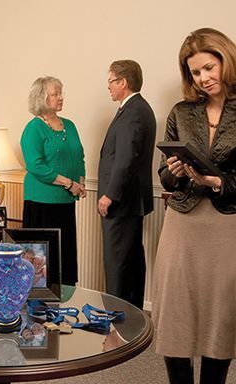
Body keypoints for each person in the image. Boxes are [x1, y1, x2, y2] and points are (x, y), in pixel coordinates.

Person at [152, 28, 235, 384]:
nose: (203, 78)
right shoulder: (181, 112)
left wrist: (215, 181)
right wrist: (175, 169)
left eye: (208, 67)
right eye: (195, 72)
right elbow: (163, 174)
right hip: (181, 223)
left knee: (221, 320)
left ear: (225, 60)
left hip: (226, 225)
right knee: (174, 320)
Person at [97, 60, 156, 309]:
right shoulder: (137, 109)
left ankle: (117, 321)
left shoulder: (133, 111)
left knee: (118, 263)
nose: (108, 86)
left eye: (110, 81)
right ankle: (131, 319)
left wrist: (110, 194)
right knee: (130, 262)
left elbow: (125, 158)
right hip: (130, 201)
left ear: (123, 82)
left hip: (121, 201)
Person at [20, 76, 86, 286]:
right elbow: (36, 166)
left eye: (61, 93)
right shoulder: (33, 128)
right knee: (43, 264)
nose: (60, 97)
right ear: (42, 97)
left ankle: (65, 303)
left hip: (65, 203)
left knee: (64, 258)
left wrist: (81, 182)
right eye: (55, 94)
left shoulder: (70, 125)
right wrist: (69, 183)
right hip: (42, 205)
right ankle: (41, 308)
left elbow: (79, 156)